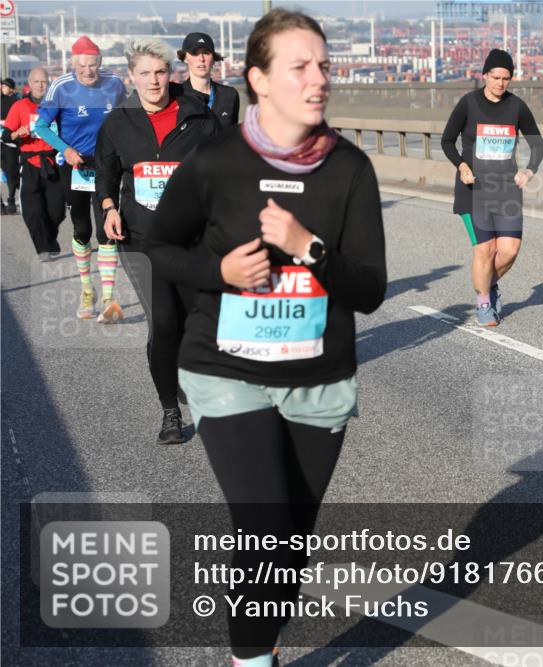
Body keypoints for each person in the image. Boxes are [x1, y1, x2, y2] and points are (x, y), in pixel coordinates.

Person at [146, 9, 386, 665]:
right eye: (300, 67)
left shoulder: (349, 170)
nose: (320, 79)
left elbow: (369, 289)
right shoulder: (215, 162)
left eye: (325, 66)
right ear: (258, 79)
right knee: (265, 527)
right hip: (226, 372)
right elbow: (159, 244)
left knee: (291, 544)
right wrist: (218, 272)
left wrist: (309, 249)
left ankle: (262, 645)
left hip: (318, 379)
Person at [95, 39, 219, 445]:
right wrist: (110, 207)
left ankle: (186, 376)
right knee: (163, 322)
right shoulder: (118, 123)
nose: (153, 80)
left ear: (173, 73)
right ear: (132, 77)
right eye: (144, 73)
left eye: (160, 72)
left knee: (190, 321)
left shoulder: (199, 118)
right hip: (141, 238)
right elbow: (106, 174)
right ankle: (170, 411)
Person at [441, 48, 543, 326]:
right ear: (485, 75)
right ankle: (484, 302)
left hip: (507, 189)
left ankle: (488, 283)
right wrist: (462, 166)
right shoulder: (468, 103)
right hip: (474, 190)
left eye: (506, 78)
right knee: (484, 252)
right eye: (495, 77)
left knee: (509, 250)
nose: (500, 83)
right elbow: (447, 140)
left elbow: (537, 143)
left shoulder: (517, 106)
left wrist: (529, 169)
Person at [34, 36, 127, 322]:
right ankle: (88, 290)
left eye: (93, 65)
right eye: (82, 65)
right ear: (73, 64)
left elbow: (128, 120)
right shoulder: (61, 87)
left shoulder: (114, 84)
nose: (88, 71)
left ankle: (109, 298)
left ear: (100, 63)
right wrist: (66, 149)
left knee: (107, 227)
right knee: (82, 228)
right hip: (73, 165)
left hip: (105, 164)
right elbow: (41, 127)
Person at [1, 68, 64, 259]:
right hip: (29, 163)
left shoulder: (57, 106)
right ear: (30, 83)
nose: (40, 85)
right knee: (32, 211)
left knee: (57, 211)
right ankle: (43, 248)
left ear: (49, 82)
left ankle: (49, 239)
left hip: (54, 161)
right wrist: (15, 134)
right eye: (36, 81)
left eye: (44, 81)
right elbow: (5, 135)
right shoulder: (20, 106)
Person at [179, 32, 241, 129]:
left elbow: (232, 137)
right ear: (185, 58)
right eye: (195, 53)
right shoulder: (177, 96)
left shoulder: (229, 95)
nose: (201, 59)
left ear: (213, 58)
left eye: (206, 53)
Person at [1, 77, 21, 214]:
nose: (3, 87)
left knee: (11, 171)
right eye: (2, 85)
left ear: (12, 89)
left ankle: (11, 198)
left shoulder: (16, 102)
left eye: (5, 86)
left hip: (10, 143)